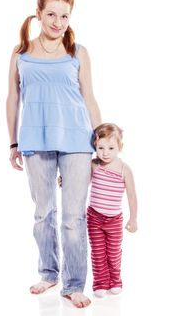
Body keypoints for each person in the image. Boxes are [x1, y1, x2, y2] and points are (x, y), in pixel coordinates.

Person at [6, 0, 101, 308]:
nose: (58, 22)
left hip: (77, 141)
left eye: (64, 16)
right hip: (35, 140)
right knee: (43, 213)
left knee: (73, 217)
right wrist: (13, 142)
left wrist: (100, 144)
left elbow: (89, 98)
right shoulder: (21, 52)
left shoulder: (78, 53)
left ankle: (74, 285)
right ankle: (49, 272)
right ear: (38, 14)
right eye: (51, 14)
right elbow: (12, 99)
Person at [58, 123, 138, 298]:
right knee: (98, 252)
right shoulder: (95, 165)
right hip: (94, 217)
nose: (105, 152)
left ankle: (115, 280)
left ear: (120, 147)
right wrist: (66, 181)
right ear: (95, 146)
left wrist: (133, 219)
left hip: (114, 220)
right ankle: (100, 282)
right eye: (101, 147)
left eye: (111, 148)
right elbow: (80, 181)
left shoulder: (125, 170)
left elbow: (132, 196)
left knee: (114, 252)